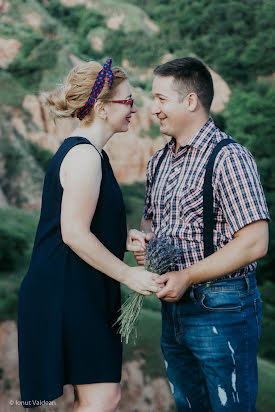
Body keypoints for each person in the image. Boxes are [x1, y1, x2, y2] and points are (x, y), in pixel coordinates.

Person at [17, 58, 160, 412]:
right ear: (100, 107)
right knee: (101, 398)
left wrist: (119, 237)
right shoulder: (84, 157)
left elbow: (84, 222)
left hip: (78, 287)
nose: (134, 109)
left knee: (98, 398)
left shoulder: (92, 153)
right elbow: (73, 234)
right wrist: (128, 274)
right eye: (127, 102)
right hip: (66, 290)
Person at [134, 57, 270, 411]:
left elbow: (255, 242)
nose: (154, 109)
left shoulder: (230, 158)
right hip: (174, 310)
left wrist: (187, 275)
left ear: (190, 101)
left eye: (161, 99)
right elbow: (155, 225)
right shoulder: (158, 162)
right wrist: (146, 245)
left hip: (222, 308)